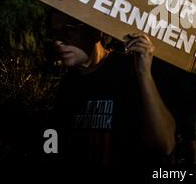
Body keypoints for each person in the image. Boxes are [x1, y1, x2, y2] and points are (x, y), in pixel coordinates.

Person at [48, 10, 175, 167]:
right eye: (54, 33)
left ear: (95, 31)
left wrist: (144, 75)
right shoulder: (68, 84)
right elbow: (55, 138)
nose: (57, 42)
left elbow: (165, 144)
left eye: (67, 30)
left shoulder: (131, 69)